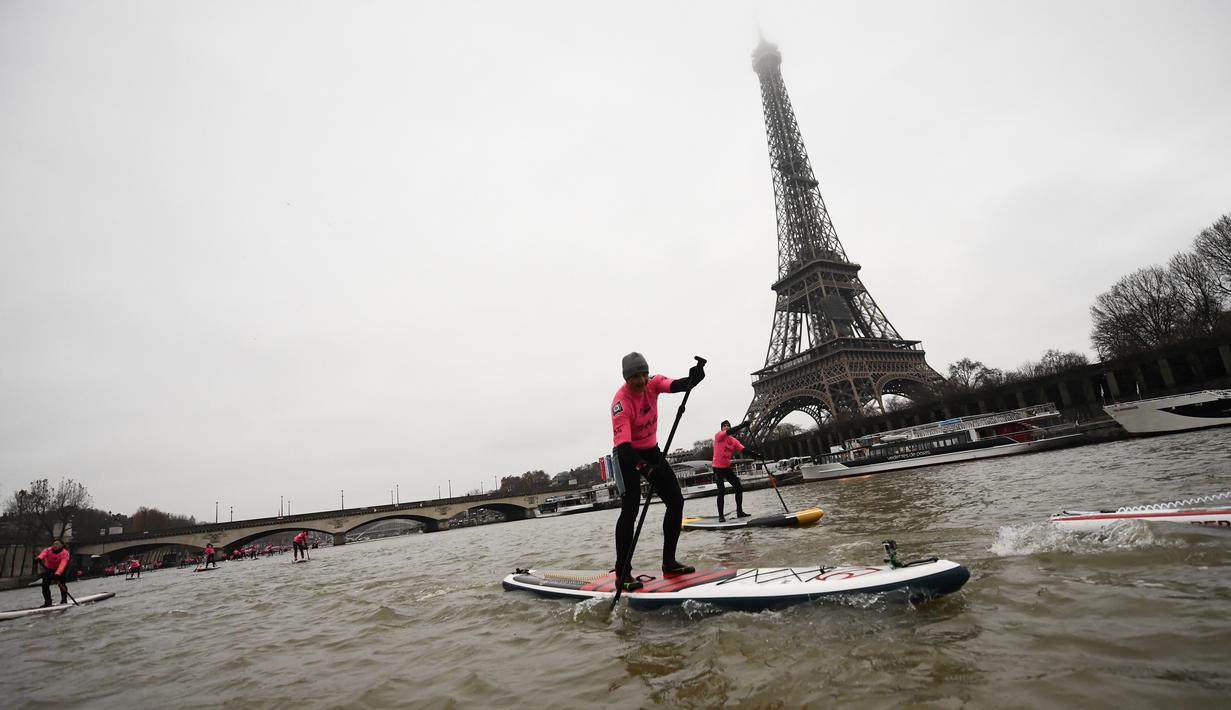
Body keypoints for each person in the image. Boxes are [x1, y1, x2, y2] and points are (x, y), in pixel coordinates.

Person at [610, 351, 705, 591]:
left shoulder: (653, 383)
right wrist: (644, 469)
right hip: (627, 453)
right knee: (630, 508)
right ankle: (623, 570)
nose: (641, 381)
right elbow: (623, 447)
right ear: (626, 378)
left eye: (644, 374)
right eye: (635, 377)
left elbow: (676, 385)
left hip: (652, 450)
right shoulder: (620, 403)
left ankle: (669, 562)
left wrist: (693, 378)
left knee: (676, 501)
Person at [712, 419, 759, 521]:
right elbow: (730, 431)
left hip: (726, 468)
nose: (727, 427)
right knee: (721, 490)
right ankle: (721, 516)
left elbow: (743, 450)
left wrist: (756, 455)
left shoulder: (733, 441)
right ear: (721, 429)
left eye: (728, 425)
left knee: (738, 487)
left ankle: (739, 512)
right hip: (717, 468)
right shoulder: (719, 436)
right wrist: (743, 425)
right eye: (724, 426)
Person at [35, 538, 70, 607]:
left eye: (57, 544)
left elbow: (62, 564)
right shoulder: (48, 550)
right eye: (54, 544)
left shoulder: (65, 553)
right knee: (45, 585)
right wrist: (39, 558)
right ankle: (48, 601)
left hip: (61, 569)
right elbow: (43, 554)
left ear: (62, 545)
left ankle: (64, 599)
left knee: (61, 583)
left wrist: (57, 573)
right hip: (49, 569)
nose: (55, 545)